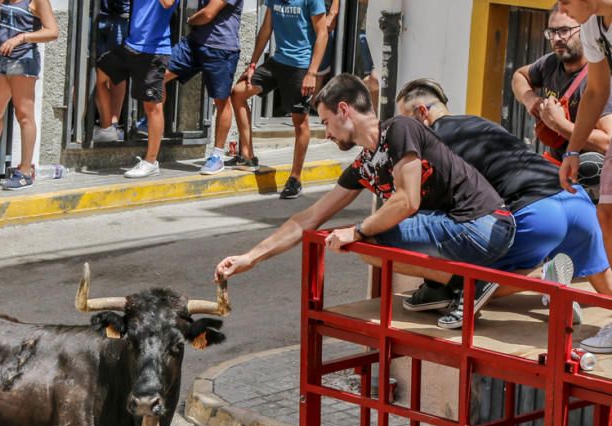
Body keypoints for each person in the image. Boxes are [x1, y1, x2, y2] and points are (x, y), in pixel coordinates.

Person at [215, 74, 516, 330]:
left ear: (344, 110)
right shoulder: (365, 164)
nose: (327, 134)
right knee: (364, 242)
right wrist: (250, 258)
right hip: (461, 229)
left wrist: (357, 230)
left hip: (486, 223)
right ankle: (454, 283)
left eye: (326, 122)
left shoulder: (400, 129)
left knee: (367, 237)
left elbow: (407, 200)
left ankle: (465, 283)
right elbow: (309, 218)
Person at [396, 79, 612, 348]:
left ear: (421, 113)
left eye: (406, 123)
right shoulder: (479, 123)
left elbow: (442, 208)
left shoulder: (432, 144)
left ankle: (544, 274)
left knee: (480, 277)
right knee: (605, 284)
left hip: (535, 210)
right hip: (575, 199)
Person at [228, 0, 328, 198]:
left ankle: (295, 178)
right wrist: (253, 64)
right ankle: (247, 155)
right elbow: (266, 28)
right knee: (238, 93)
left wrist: (312, 73)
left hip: (300, 66)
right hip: (277, 62)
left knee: (300, 122)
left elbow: (322, 33)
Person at [556, 0, 612, 351]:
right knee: (606, 214)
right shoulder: (594, 25)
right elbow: (596, 90)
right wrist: (572, 151)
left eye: (565, 0)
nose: (561, 8)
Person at [512, 3, 612, 195]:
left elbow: (607, 142)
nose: (557, 38)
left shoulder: (597, 77)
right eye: (552, 32)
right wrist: (530, 99)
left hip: (592, 183)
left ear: (584, 27)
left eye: (564, 31)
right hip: (558, 169)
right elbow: (519, 75)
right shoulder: (550, 64)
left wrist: (559, 125)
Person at [0, 0, 58, 190]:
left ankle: (26, 171)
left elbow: (52, 31)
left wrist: (21, 38)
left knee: (23, 115)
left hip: (23, 60)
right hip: (1, 60)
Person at [96, 0, 178, 178]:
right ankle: (108, 127)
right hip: (130, 46)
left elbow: (167, 3)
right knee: (102, 72)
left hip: (154, 51)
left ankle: (151, 162)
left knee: (152, 106)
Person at [163, 0, 243, 175]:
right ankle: (152, 122)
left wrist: (190, 19)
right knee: (158, 77)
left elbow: (208, 14)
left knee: (221, 101)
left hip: (221, 49)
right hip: (194, 43)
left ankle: (217, 155)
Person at [93, 0, 131, 142]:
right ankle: (106, 125)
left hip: (121, 15)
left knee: (117, 72)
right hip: (92, 12)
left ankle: (112, 125)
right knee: (91, 70)